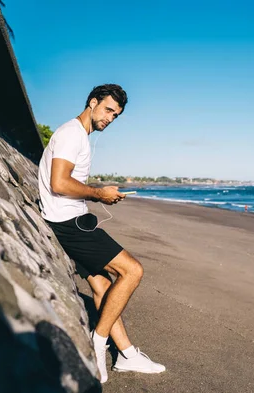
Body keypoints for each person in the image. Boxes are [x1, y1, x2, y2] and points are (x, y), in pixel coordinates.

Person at [37, 84, 165, 383]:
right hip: (68, 223)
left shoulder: (78, 135)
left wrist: (99, 195)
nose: (110, 118)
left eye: (116, 115)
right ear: (92, 103)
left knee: (102, 286)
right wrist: (99, 194)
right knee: (132, 271)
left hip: (69, 219)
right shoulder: (72, 135)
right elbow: (59, 183)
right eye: (108, 110)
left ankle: (127, 355)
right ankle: (98, 340)